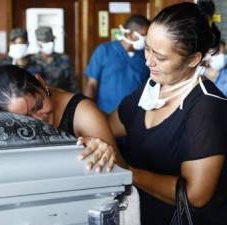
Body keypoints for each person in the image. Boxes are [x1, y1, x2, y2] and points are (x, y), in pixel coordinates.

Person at [82, 1, 227, 224]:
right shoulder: (151, 88)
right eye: (147, 49)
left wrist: (128, 171)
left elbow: (196, 195)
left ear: (193, 59)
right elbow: (107, 126)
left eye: (160, 57)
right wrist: (98, 142)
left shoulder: (206, 106)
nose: (148, 61)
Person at [84, 14, 151, 114]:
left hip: (136, 116)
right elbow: (91, 85)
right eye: (144, 34)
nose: (146, 39)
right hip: (106, 115)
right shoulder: (104, 51)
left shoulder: (146, 57)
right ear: (131, 34)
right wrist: (86, 112)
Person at [31, 26, 79, 93]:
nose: (50, 44)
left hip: (63, 99)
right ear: (38, 43)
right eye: (45, 41)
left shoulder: (64, 59)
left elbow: (73, 85)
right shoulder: (31, 62)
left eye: (51, 40)